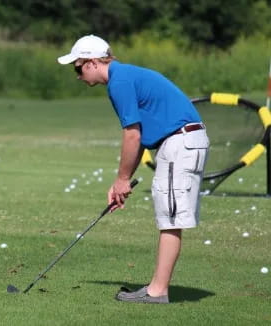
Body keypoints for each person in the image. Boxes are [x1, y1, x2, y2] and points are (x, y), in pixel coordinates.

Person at [57, 35, 209, 303]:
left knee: (171, 220)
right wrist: (122, 182)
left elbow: (132, 135)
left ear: (92, 62)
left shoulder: (120, 83)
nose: (77, 75)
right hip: (179, 142)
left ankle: (158, 291)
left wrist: (122, 179)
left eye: (78, 68)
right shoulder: (124, 76)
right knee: (169, 218)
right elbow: (139, 136)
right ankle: (155, 288)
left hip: (180, 143)